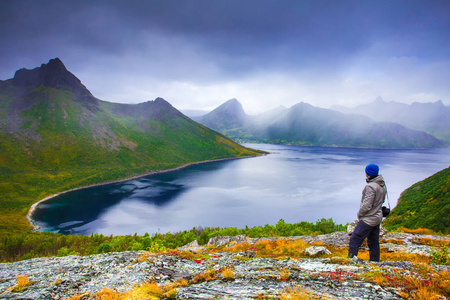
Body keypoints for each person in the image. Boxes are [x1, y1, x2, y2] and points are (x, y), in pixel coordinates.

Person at [348, 163, 387, 262]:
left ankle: (351, 261)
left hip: (369, 218)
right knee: (373, 242)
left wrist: (360, 215)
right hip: (377, 217)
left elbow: (367, 205)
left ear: (368, 174)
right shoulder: (381, 184)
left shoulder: (371, 187)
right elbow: (380, 201)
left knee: (355, 239)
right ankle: (375, 262)